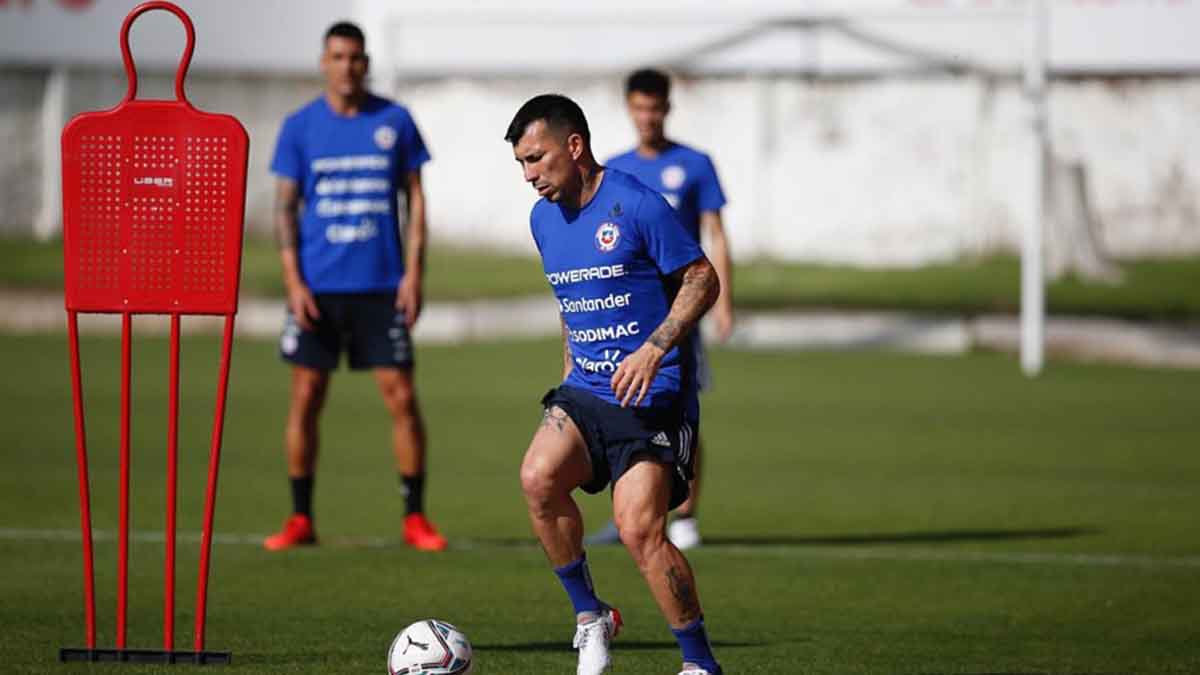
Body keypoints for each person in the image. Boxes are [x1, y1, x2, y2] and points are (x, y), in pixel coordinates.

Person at [507, 94, 724, 675]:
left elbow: (703, 279)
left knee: (638, 531)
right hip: (586, 391)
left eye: (536, 159)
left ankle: (699, 663)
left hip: (654, 399)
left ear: (574, 147)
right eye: (521, 165)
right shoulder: (542, 219)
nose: (529, 176)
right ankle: (589, 617)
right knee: (537, 478)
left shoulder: (636, 203)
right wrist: (566, 378)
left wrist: (655, 348)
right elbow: (569, 303)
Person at [263, 21, 446, 552]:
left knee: (402, 398)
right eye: (338, 56)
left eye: (356, 57)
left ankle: (415, 517)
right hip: (318, 287)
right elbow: (285, 209)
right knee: (305, 397)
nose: (347, 66)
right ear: (324, 62)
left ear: (366, 63)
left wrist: (415, 272)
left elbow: (416, 201)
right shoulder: (299, 127)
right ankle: (301, 518)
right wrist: (293, 281)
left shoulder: (395, 120)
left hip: (382, 286)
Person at [586, 68, 734, 551]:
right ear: (630, 109)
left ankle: (685, 513)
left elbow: (714, 234)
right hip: (629, 312)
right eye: (640, 108)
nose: (648, 116)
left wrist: (724, 301)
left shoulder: (694, 164)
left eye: (655, 107)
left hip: (681, 312)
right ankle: (628, 511)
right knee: (621, 409)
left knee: (683, 414)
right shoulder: (615, 168)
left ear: (667, 108)